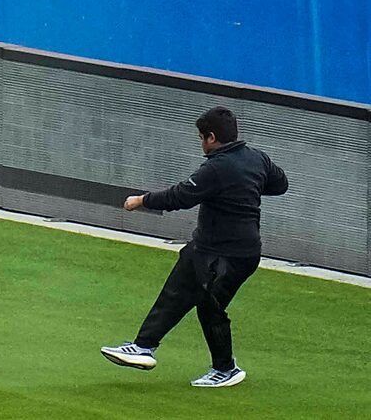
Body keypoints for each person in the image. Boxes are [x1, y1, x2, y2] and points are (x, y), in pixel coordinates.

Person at [102, 106, 289, 389]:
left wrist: (141, 200)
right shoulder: (256, 158)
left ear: (211, 137)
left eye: (202, 138)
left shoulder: (216, 168)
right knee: (193, 299)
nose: (201, 144)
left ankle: (159, 350)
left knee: (196, 298)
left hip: (222, 255)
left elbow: (182, 196)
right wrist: (244, 186)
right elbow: (280, 184)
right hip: (230, 251)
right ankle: (157, 350)